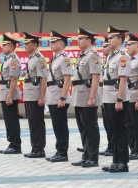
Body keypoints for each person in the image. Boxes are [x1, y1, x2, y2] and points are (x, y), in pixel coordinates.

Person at [101, 25, 131, 173]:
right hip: (107, 96)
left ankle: (123, 163)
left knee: (120, 131)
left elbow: (123, 79)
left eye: (111, 38)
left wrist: (119, 99)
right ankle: (115, 161)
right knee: (112, 130)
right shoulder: (110, 56)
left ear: (119, 40)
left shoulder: (123, 56)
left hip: (116, 97)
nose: (109, 40)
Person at [71, 27, 101, 168]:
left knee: (90, 128)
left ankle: (93, 157)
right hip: (79, 95)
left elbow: (95, 77)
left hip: (87, 95)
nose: (78, 41)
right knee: (83, 128)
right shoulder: (82, 55)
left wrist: (92, 97)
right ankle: (86, 155)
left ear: (88, 41)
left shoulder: (93, 56)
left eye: (80, 39)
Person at [45, 30, 72, 162]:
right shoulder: (55, 59)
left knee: (61, 125)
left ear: (61, 44)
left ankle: (62, 152)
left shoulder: (64, 59)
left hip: (59, 97)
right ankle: (59, 150)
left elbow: (67, 80)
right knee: (56, 125)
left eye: (54, 42)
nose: (51, 44)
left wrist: (63, 98)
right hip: (53, 96)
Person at [22, 32, 47, 158]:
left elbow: (43, 78)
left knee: (37, 122)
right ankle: (34, 147)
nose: (25, 46)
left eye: (27, 43)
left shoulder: (39, 58)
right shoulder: (32, 58)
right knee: (32, 122)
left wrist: (42, 97)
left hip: (36, 94)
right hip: (30, 93)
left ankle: (39, 149)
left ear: (34, 45)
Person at [0, 34, 22, 154]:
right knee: (8, 120)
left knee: (12, 120)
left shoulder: (13, 60)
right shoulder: (8, 58)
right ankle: (12, 143)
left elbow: (13, 79)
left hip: (9, 92)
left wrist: (9, 96)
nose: (2, 47)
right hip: (5, 91)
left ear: (11, 47)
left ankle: (16, 145)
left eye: (5, 45)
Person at [99, 36, 114, 157]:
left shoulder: (117, 58)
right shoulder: (107, 60)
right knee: (107, 123)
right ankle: (110, 145)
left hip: (113, 95)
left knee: (113, 124)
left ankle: (114, 147)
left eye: (105, 46)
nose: (103, 48)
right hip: (105, 94)